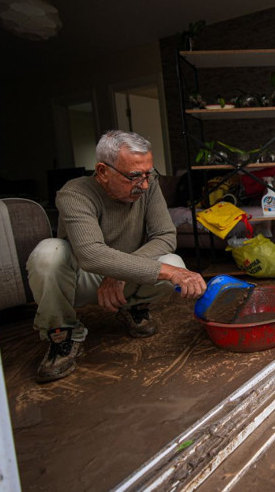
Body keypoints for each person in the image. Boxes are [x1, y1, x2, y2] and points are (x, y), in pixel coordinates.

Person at [27, 130, 207, 383]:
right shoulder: (74, 193)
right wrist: (164, 273)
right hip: (83, 278)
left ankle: (134, 307)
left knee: (173, 262)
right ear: (103, 171)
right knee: (47, 252)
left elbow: (165, 236)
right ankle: (62, 332)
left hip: (125, 276)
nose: (144, 185)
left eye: (148, 174)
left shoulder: (149, 185)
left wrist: (121, 275)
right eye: (135, 176)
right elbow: (90, 254)